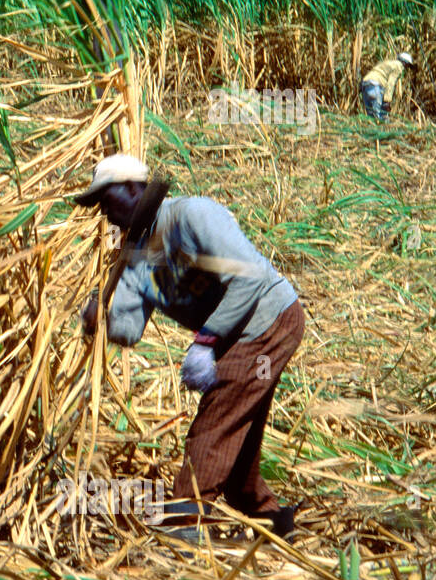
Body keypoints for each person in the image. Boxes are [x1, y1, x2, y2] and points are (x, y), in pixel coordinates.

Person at [75, 154, 304, 542]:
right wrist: (102, 320)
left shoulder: (191, 216)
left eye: (109, 203)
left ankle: (187, 523)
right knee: (237, 428)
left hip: (269, 319)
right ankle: (268, 517)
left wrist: (206, 341)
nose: (106, 216)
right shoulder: (135, 260)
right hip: (234, 338)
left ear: (133, 191)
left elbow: (248, 279)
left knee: (214, 426)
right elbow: (129, 330)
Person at [360, 51, 416, 122]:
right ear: (404, 63)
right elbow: (391, 83)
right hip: (376, 85)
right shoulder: (399, 66)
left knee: (371, 117)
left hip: (365, 84)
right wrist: (387, 101)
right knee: (379, 117)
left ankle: (372, 131)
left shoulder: (388, 63)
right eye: (407, 66)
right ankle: (381, 131)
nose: (406, 68)